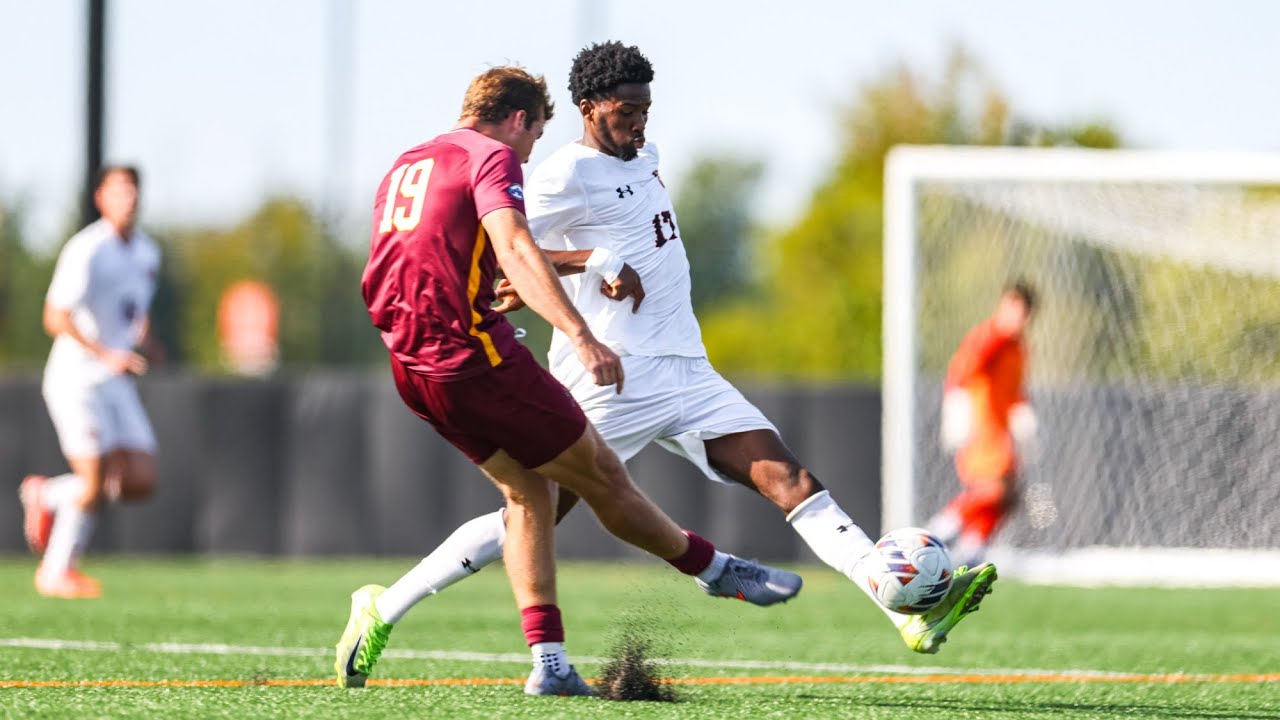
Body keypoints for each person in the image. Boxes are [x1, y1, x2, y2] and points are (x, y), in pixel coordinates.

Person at [341, 41, 998, 682]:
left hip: (688, 368)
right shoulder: (561, 174)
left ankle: (905, 610)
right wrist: (594, 262)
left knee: (791, 480)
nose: (639, 124)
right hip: (614, 376)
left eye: (645, 111)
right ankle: (385, 607)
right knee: (532, 512)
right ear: (588, 108)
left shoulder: (646, 155)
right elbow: (508, 256)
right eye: (626, 112)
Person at [338, 65, 802, 697]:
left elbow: (401, 262)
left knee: (530, 495)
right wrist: (581, 335)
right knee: (602, 477)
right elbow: (516, 249)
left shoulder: (407, 163)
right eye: (533, 136)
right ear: (518, 119)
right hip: (475, 358)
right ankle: (716, 569)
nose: (530, 155)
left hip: (411, 364)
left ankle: (545, 660)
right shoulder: (492, 156)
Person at [18, 165, 161, 599]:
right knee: (94, 480)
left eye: (132, 190)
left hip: (116, 382)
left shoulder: (147, 252)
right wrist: (106, 353)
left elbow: (132, 312)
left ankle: (49, 495)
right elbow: (54, 317)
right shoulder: (87, 248)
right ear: (100, 198)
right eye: (118, 191)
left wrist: (148, 342)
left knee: (141, 479)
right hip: (76, 379)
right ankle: (56, 572)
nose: (128, 199)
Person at [929, 282, 1038, 567]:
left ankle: (972, 548)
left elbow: (1013, 389)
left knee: (1008, 495)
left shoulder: (1018, 348)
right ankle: (936, 531)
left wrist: (1021, 413)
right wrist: (956, 408)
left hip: (1001, 431)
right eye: (1012, 309)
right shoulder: (989, 338)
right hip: (981, 429)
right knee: (994, 490)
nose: (1016, 317)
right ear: (1002, 306)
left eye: (1022, 312)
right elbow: (961, 371)